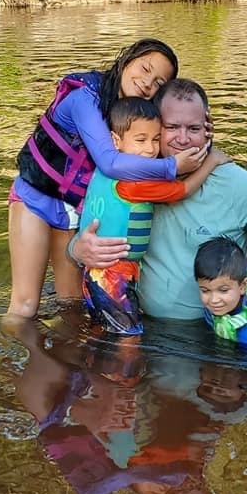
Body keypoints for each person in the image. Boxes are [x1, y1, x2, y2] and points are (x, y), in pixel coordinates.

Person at [69, 78, 247, 344]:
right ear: (153, 128)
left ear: (208, 128)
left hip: (216, 336)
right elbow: (83, 238)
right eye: (172, 127)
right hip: (144, 327)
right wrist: (77, 250)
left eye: (194, 128)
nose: (183, 139)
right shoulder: (123, 180)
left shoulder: (241, 187)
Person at [7, 38, 207, 319]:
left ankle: (73, 360)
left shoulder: (137, 118)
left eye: (159, 83)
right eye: (145, 68)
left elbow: (173, 135)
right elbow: (110, 163)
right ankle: (9, 362)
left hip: (74, 211)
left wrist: (203, 136)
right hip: (35, 198)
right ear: (127, 60)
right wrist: (172, 166)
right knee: (25, 305)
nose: (147, 82)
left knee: (73, 305)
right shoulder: (84, 98)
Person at [80, 98, 227, 334]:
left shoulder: (104, 170)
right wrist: (212, 161)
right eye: (141, 140)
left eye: (156, 139)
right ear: (115, 141)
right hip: (113, 276)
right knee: (129, 338)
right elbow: (182, 190)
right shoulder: (134, 183)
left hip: (95, 272)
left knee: (104, 332)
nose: (150, 149)